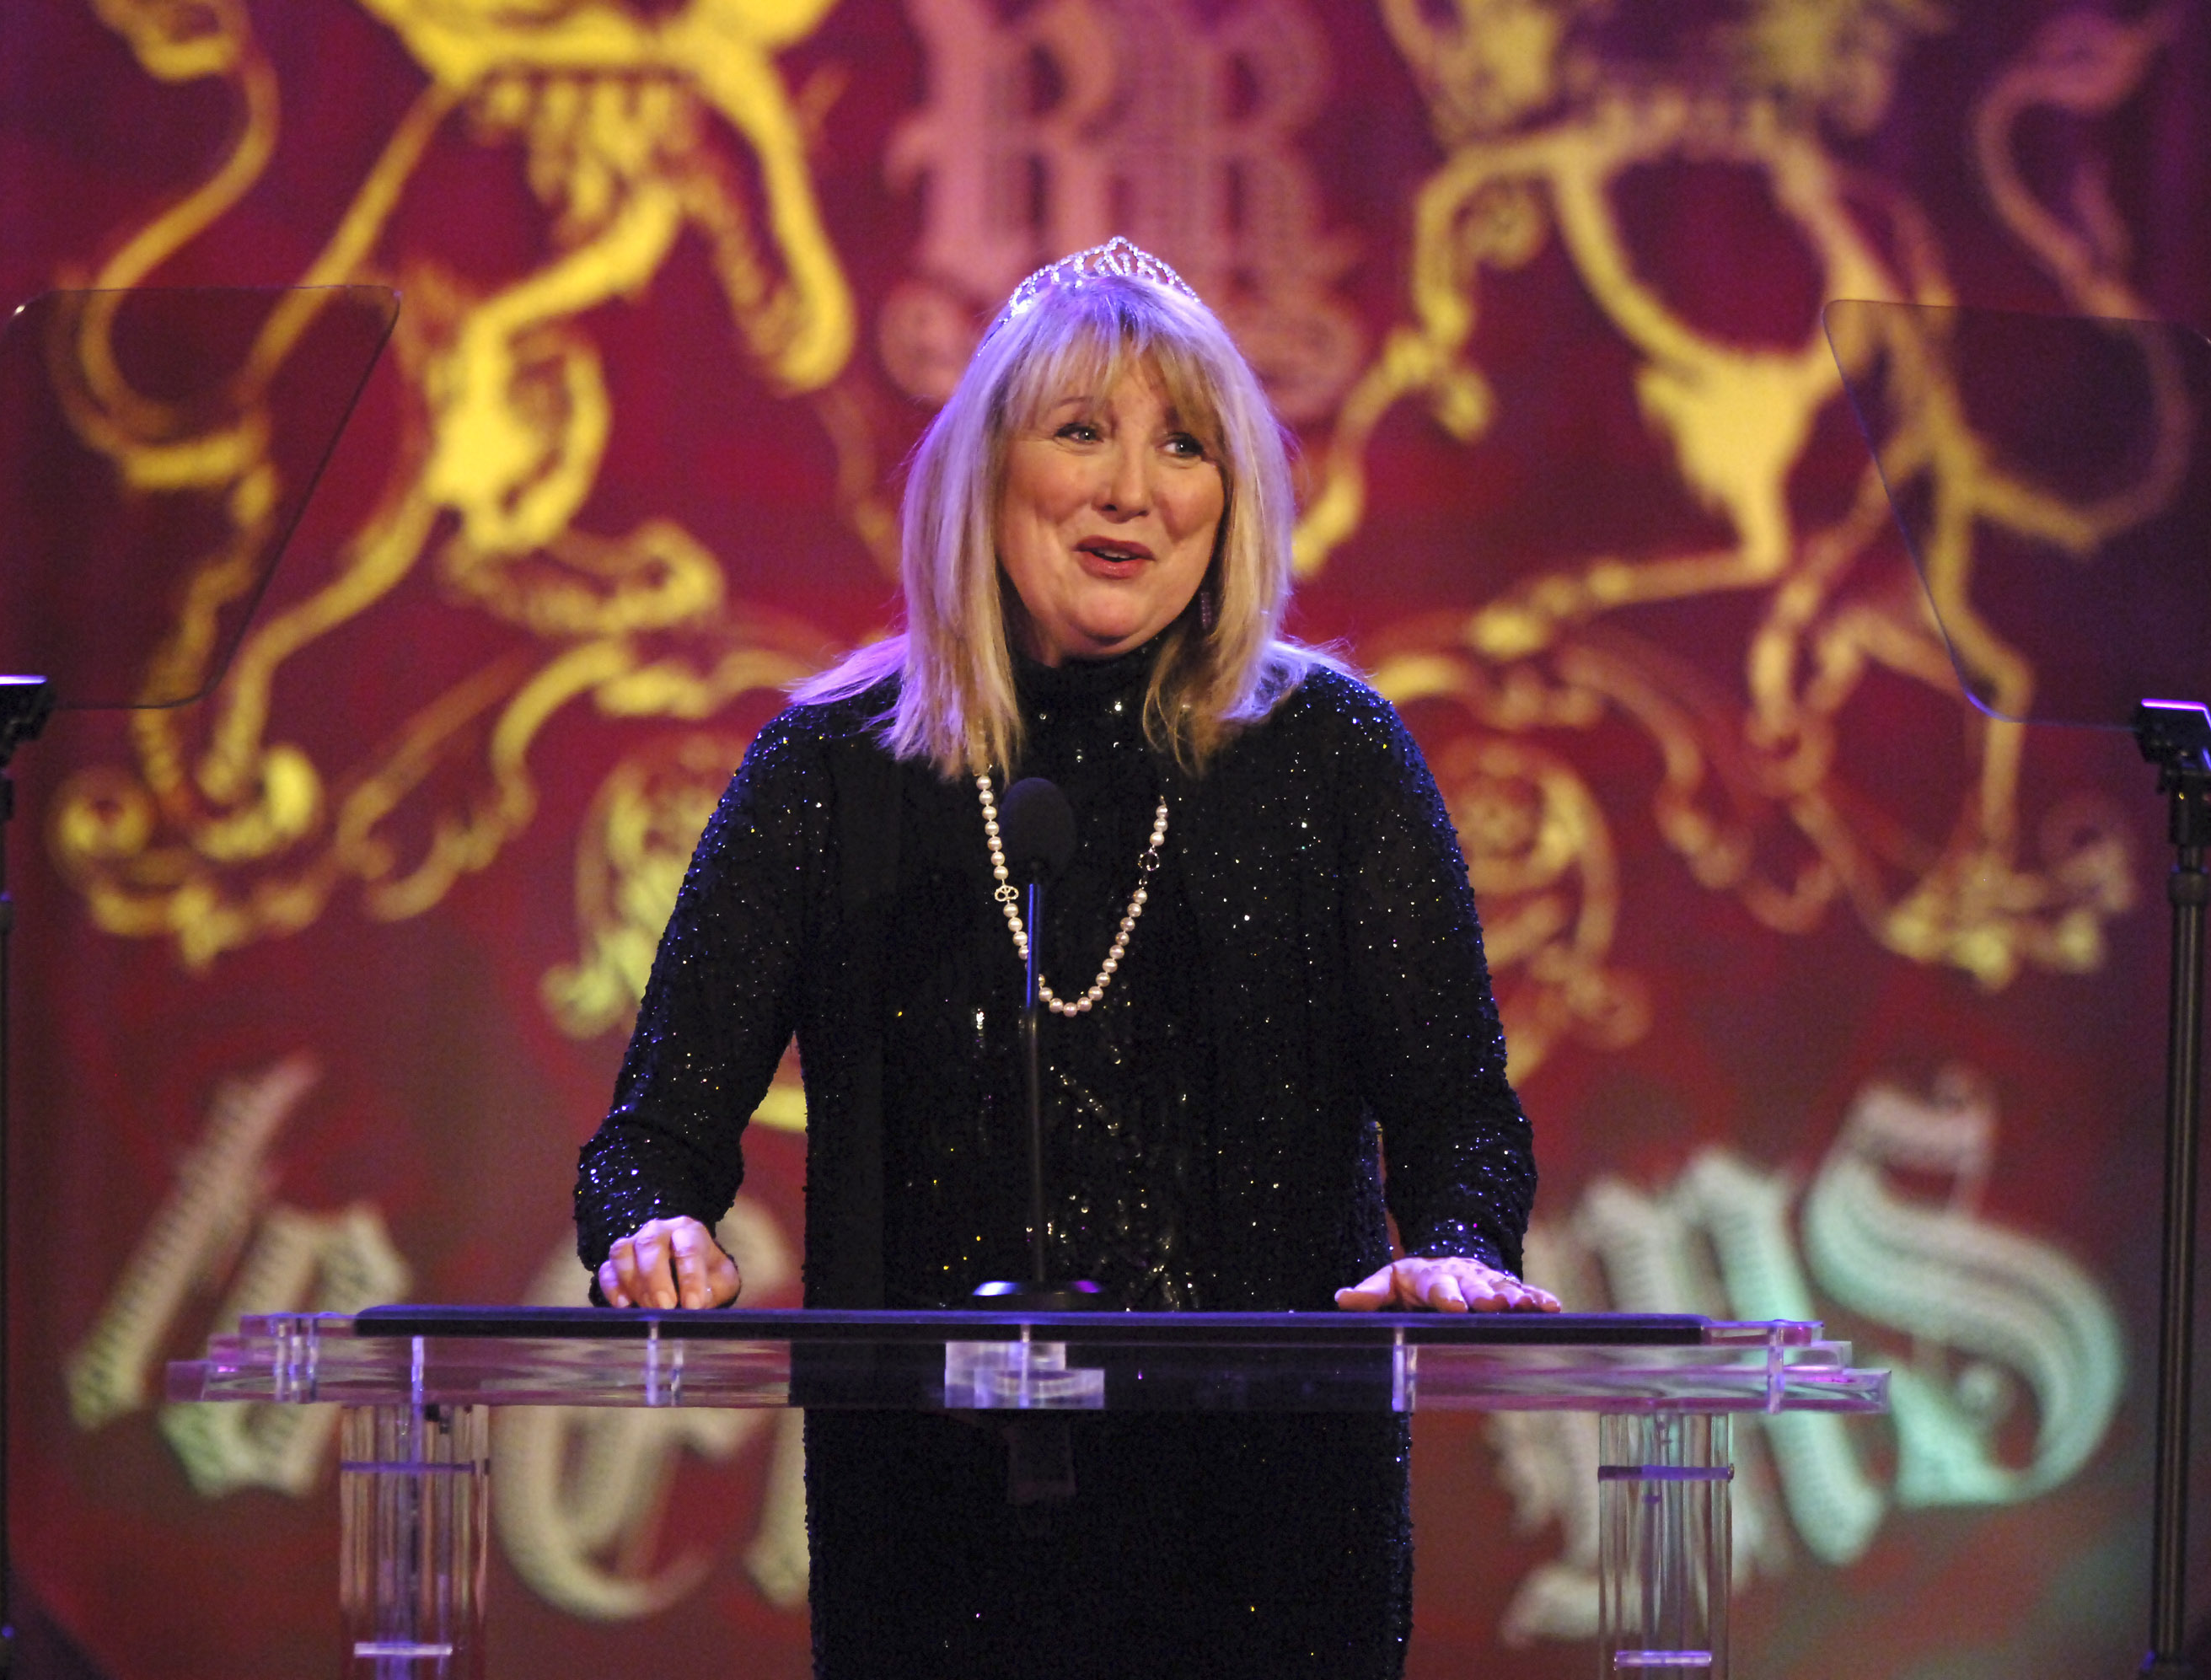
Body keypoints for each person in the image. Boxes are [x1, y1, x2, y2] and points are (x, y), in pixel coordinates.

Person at [575, 238, 1554, 1678]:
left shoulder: (1333, 759)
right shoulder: (826, 774)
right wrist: (650, 1231)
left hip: (1276, 1543)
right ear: (988, 470)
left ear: (1233, 501)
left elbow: (1462, 1110)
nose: (1133, 489)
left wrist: (1463, 1253)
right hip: (935, 1544)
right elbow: (647, 1143)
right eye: (1082, 430)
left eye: (1185, 445)